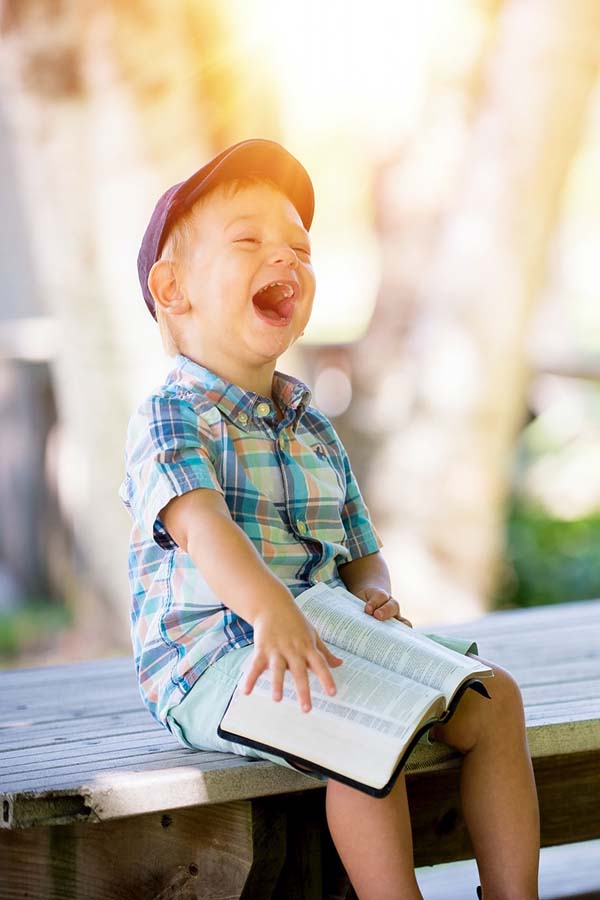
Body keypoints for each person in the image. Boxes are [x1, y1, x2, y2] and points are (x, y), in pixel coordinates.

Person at [119, 139, 540, 900]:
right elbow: (204, 527)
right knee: (359, 730)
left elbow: (360, 549)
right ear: (172, 287)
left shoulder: (310, 423)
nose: (284, 258)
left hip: (325, 632)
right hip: (215, 659)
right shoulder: (171, 414)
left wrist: (374, 590)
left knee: (494, 699)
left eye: (299, 249)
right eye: (248, 240)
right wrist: (271, 608)